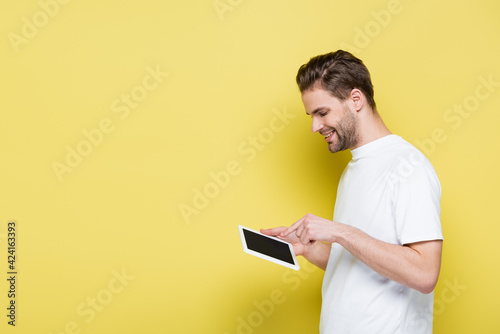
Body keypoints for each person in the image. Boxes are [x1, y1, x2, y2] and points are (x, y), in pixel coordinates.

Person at [261, 50, 443, 333]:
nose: (314, 126)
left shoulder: (409, 166)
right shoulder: (354, 169)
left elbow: (424, 273)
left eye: (322, 113)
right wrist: (311, 250)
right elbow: (361, 267)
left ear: (355, 99)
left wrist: (340, 232)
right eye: (311, 115)